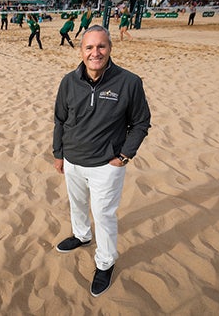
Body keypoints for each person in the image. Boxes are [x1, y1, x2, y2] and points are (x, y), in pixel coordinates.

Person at [52, 25, 151, 297]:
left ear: (110, 48)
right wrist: (58, 153)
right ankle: (82, 235)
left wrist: (124, 156)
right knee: (78, 204)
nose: (95, 52)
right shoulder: (68, 81)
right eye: (89, 47)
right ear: (81, 50)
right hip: (72, 160)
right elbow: (60, 119)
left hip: (106, 166)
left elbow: (141, 122)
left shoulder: (129, 82)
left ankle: (105, 262)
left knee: (104, 215)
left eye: (101, 46)